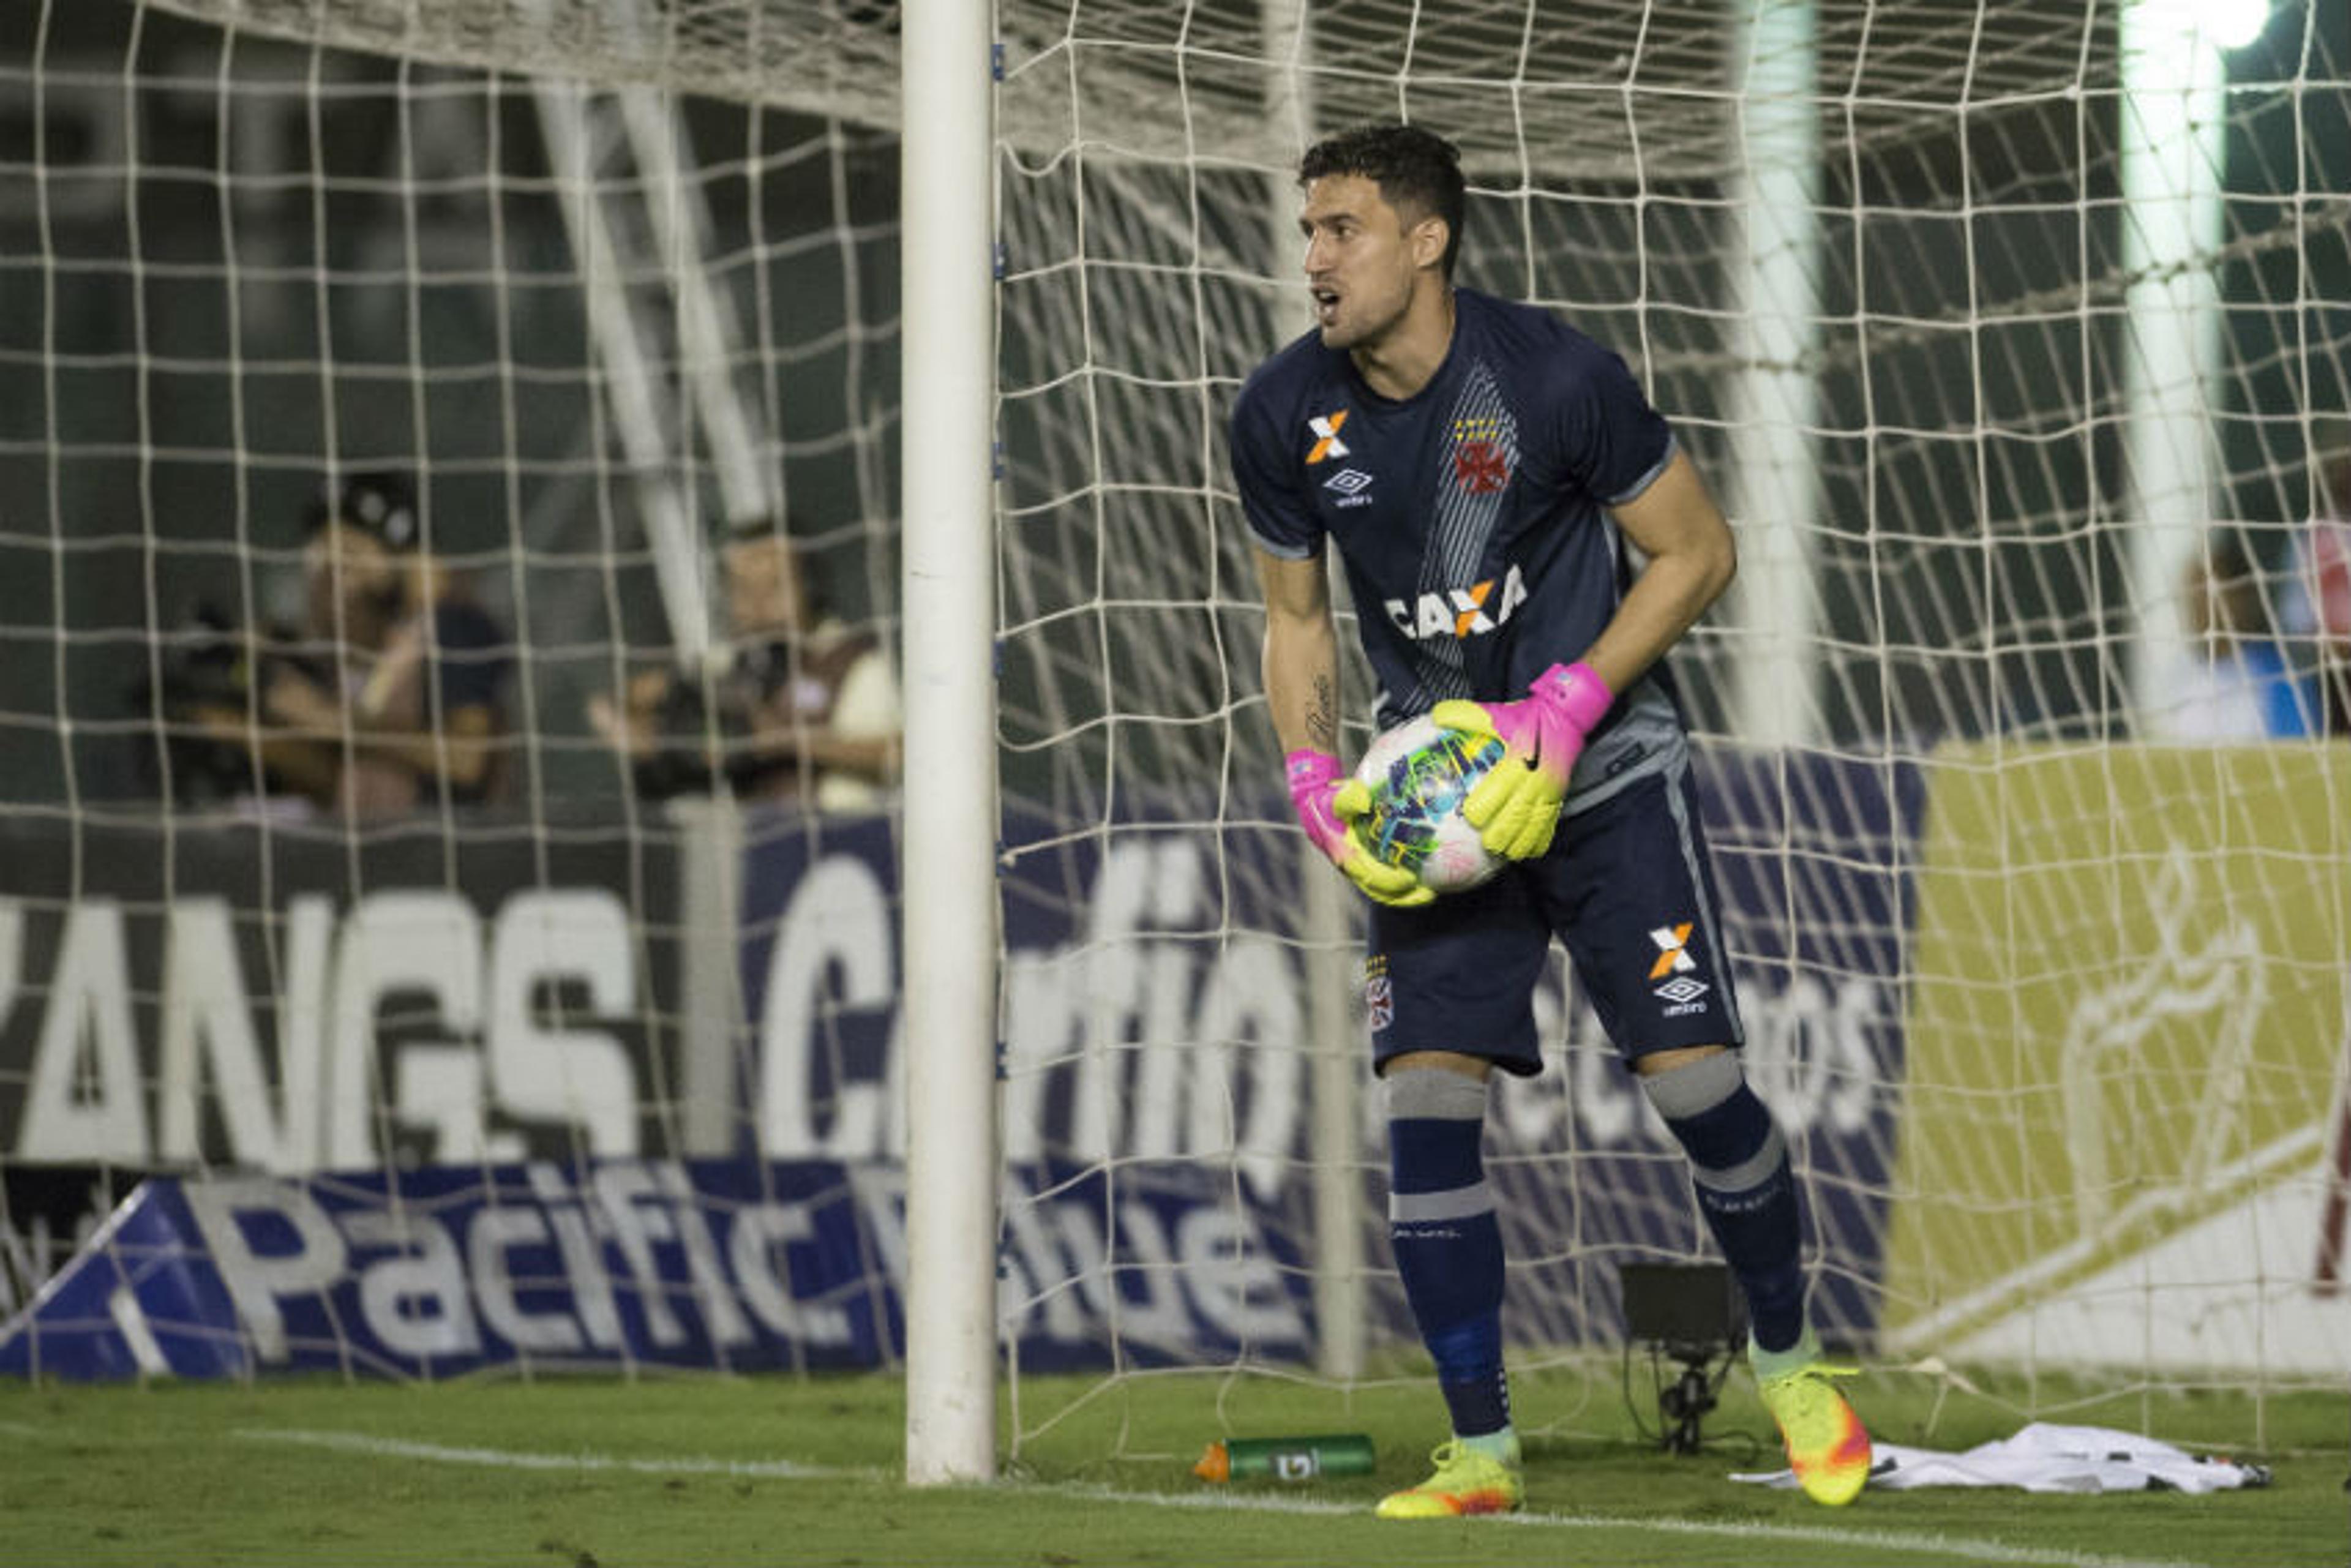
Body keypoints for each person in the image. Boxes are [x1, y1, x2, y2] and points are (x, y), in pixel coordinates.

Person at [1229, 122, 1870, 1518]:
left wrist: (1568, 703)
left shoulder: (1556, 377)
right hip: (1434, 794)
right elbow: (1294, 617)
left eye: (1340, 227)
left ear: (1424, 238)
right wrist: (1307, 773)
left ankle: (1791, 1358)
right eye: (1308, 231)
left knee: (1696, 1086)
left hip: (1604, 772)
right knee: (1424, 1105)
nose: (1314, 256)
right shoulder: (1282, 411)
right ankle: (1481, 1450)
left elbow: (1696, 548)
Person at [187, 471, 511, 817]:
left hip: (448, 853)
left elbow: (466, 760)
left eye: (351, 553)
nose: (333, 573)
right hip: (376, 846)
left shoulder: (451, 626)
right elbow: (344, 780)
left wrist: (332, 719)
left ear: (397, 560)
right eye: (322, 555)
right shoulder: (362, 654)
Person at [588, 517, 900, 809]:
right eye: (742, 588)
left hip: (845, 847)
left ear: (809, 586)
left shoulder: (856, 663)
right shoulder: (723, 664)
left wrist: (784, 738)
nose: (758, 602)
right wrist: (663, 740)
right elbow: (610, 706)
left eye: (774, 585)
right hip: (748, 847)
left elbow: (900, 755)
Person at [2151, 530, 2317, 741]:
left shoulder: (2280, 678)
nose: (2199, 606)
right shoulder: (2180, 674)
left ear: (2244, 598)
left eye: (2208, 594)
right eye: (2193, 594)